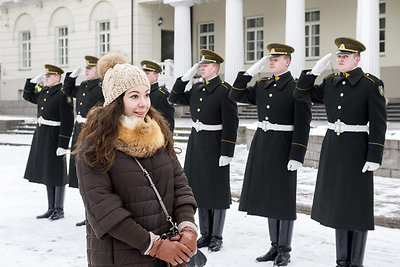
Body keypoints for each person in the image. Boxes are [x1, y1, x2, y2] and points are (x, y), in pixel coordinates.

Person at [74, 52, 198, 267]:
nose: (143, 104)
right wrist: (155, 246)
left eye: (146, 94)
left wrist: (187, 228)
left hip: (167, 254)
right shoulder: (96, 144)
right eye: (134, 96)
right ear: (115, 99)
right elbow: (103, 209)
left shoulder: (157, 133)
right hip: (122, 257)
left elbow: (180, 184)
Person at [294, 37, 387, 267]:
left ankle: (355, 262)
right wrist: (313, 72)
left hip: (357, 149)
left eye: (345, 56)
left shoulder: (371, 84)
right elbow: (300, 94)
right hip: (333, 149)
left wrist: (374, 155)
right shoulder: (331, 82)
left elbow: (379, 122)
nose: (340, 59)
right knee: (339, 207)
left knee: (356, 208)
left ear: (357, 59)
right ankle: (341, 261)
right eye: (338, 56)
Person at [230, 43, 311, 266]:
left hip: (284, 146)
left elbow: (303, 124)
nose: (271, 61)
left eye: (276, 58)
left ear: (287, 61)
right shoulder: (263, 84)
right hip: (263, 144)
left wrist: (297, 155)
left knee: (283, 199)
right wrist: (248, 74)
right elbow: (234, 94)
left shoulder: (297, 87)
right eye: (270, 59)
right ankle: (274, 246)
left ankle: (285, 249)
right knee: (268, 197)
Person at [169, 49, 239, 252]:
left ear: (216, 68)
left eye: (205, 66)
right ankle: (206, 234)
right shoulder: (198, 89)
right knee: (198, 189)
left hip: (216, 144)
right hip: (197, 144)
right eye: (201, 65)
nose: (202, 68)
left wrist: (227, 151)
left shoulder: (225, 90)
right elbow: (175, 97)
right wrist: (184, 78)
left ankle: (217, 236)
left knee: (216, 190)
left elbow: (231, 123)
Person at [23, 64, 74, 220]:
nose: (46, 78)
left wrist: (63, 144)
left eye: (49, 76)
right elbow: (27, 96)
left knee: (57, 172)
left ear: (57, 78)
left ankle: (59, 208)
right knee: (47, 170)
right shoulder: (45, 91)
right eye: (45, 76)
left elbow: (68, 121)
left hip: (55, 136)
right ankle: (50, 207)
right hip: (42, 135)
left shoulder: (63, 94)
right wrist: (31, 82)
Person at [63, 55, 104, 227]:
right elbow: (67, 90)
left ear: (98, 70)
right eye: (85, 68)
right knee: (80, 175)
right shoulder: (84, 86)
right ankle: (88, 214)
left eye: (90, 68)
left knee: (92, 175)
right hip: (79, 132)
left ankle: (96, 215)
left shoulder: (102, 87)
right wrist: (72, 76)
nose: (86, 70)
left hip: (93, 132)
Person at [141, 60, 175, 132]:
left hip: (155, 137)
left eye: (147, 73)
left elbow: (168, 121)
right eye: (142, 73)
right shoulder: (139, 93)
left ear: (156, 76)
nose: (143, 76)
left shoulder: (162, 95)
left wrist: (167, 140)